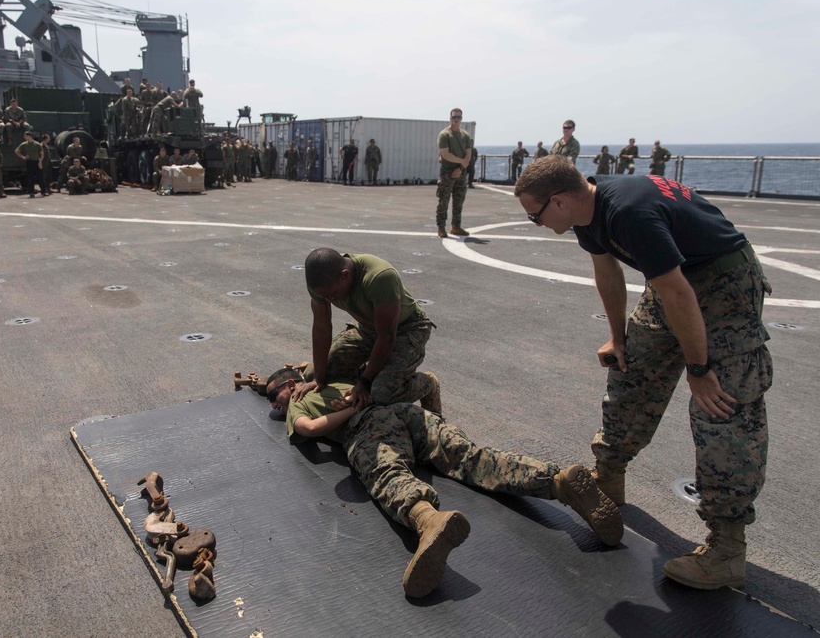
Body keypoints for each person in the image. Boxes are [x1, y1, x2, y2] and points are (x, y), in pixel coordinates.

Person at [514, 155, 772, 591]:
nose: (535, 223)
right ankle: (608, 476)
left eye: (534, 215)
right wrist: (618, 338)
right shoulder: (586, 212)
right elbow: (607, 270)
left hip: (722, 285)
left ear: (557, 201)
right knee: (630, 370)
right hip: (675, 280)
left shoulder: (628, 213)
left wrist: (698, 368)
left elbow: (681, 295)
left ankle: (727, 548)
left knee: (720, 407)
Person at [265, 367, 623, 597]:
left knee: (386, 473)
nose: (277, 406)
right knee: (474, 458)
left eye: (274, 396)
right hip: (408, 411)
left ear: (291, 385)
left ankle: (428, 520)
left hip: (367, 426)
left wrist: (350, 412)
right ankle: (559, 482)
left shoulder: (301, 400)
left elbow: (309, 430)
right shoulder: (333, 372)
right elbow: (427, 378)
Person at [296, 247, 438, 412]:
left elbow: (386, 337)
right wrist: (318, 379)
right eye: (324, 296)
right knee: (312, 374)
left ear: (345, 274)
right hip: (368, 328)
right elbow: (322, 328)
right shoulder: (321, 282)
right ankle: (369, 374)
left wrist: (364, 383)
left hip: (406, 329)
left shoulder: (380, 277)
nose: (329, 299)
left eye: (332, 294)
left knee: (382, 394)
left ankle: (428, 383)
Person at [435, 108, 472, 238]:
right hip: (447, 170)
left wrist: (461, 167)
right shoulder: (444, 135)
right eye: (454, 117)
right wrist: (462, 162)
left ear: (461, 119)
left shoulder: (465, 135)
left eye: (459, 117)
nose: (456, 119)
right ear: (450, 118)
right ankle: (441, 227)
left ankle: (456, 226)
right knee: (444, 199)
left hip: (461, 170)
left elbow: (469, 154)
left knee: (459, 200)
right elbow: (445, 154)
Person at [15, 132, 46, 197]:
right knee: (30, 177)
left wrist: (40, 162)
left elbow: (42, 154)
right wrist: (23, 157)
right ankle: (31, 192)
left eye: (25, 136)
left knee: (40, 177)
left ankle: (43, 191)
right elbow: (17, 151)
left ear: (29, 136)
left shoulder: (37, 144)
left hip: (37, 162)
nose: (24, 137)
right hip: (29, 162)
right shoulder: (24, 144)